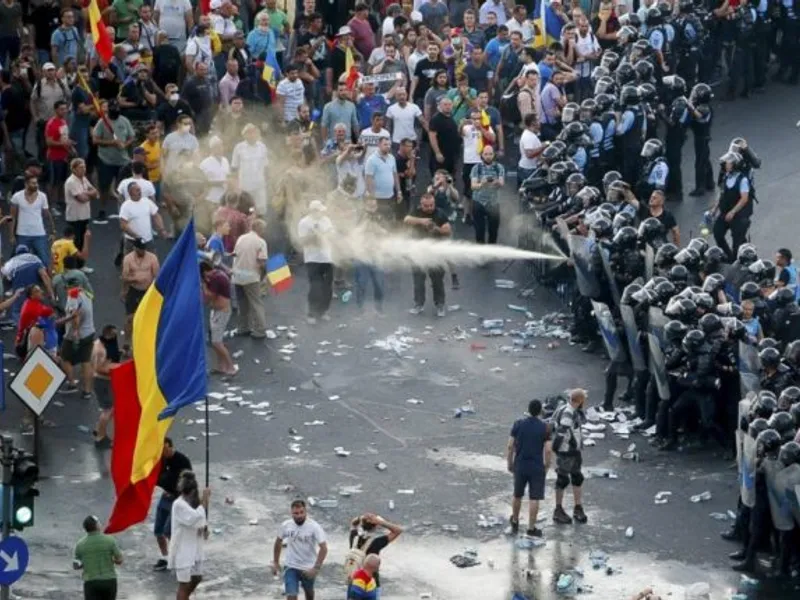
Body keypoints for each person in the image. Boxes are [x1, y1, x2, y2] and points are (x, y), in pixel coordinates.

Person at [507, 399, 551, 537]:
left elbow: (510, 446)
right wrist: (547, 466)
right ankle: (531, 528)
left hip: (520, 464)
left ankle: (515, 520)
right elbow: (548, 450)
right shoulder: (545, 427)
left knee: (517, 494)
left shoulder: (518, 424)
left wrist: (510, 462)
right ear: (540, 412)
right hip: (536, 466)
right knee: (534, 497)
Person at [404, 192, 452, 317]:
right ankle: (418, 304)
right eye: (426, 206)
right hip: (418, 251)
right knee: (418, 280)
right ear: (421, 204)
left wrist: (437, 229)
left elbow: (448, 229)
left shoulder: (440, 213)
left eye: (431, 205)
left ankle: (440, 305)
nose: (429, 208)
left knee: (437, 281)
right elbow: (406, 219)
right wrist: (422, 221)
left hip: (435, 253)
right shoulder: (416, 211)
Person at [273, 500, 328, 600]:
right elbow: (278, 541)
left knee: (309, 593)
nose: (299, 516)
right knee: (291, 595)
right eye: (296, 513)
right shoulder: (286, 525)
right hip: (291, 566)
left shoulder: (314, 527)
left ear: (306, 512)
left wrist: (316, 568)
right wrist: (276, 562)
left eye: (301, 512)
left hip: (308, 567)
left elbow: (324, 548)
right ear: (291, 513)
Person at [168, 470, 210, 600]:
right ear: (191, 491)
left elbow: (199, 520)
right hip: (183, 550)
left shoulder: (192, 504)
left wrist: (204, 528)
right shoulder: (179, 504)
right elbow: (193, 518)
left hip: (194, 548)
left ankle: (184, 597)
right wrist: (205, 502)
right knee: (184, 585)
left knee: (197, 577)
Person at [153, 438, 193, 572]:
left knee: (169, 530)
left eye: (165, 449)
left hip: (178, 500)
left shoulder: (182, 461)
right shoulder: (161, 459)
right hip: (166, 496)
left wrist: (177, 495)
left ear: (170, 447)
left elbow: (188, 484)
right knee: (158, 530)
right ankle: (165, 557)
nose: (163, 452)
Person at [551, 389, 589, 525]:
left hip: (573, 451)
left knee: (577, 477)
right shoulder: (568, 413)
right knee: (562, 479)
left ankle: (577, 507)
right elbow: (561, 432)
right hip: (567, 452)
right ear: (579, 401)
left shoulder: (567, 409)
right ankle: (558, 510)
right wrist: (557, 448)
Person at [297, 201, 335, 325]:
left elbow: (331, 235)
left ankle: (323, 311)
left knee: (327, 287)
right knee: (315, 286)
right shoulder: (304, 223)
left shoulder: (326, 220)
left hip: (327, 258)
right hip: (312, 259)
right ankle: (312, 313)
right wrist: (314, 237)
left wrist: (323, 236)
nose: (322, 213)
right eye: (319, 210)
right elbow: (303, 241)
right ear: (313, 211)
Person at [347, 513, 402, 596]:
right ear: (375, 526)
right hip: (370, 584)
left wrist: (362, 518)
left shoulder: (354, 536)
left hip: (355, 580)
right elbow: (398, 530)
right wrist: (381, 522)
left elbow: (353, 524)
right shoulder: (376, 542)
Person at [231, 219, 268, 338]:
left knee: (242, 303)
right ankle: (260, 330)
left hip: (237, 275)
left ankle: (243, 328)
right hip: (251, 276)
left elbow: (235, 254)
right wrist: (263, 276)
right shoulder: (260, 242)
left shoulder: (241, 238)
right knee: (256, 304)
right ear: (260, 230)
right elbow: (262, 261)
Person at [712, 151, 752, 261]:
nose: (725, 165)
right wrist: (715, 209)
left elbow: (744, 199)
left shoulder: (742, 180)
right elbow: (721, 194)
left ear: (735, 165)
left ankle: (738, 261)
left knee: (737, 243)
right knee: (717, 233)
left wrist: (733, 211)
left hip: (738, 215)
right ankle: (729, 257)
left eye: (728, 163)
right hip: (725, 212)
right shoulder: (726, 177)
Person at [10, 173, 56, 267]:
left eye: (36, 183)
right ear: (26, 184)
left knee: (44, 260)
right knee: (20, 260)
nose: (36, 185)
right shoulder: (17, 197)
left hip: (39, 234)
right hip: (22, 234)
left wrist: (52, 230)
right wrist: (11, 235)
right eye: (33, 183)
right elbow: (12, 217)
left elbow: (46, 214)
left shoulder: (42, 196)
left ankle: (46, 280)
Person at [200, 261, 237, 376]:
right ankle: (221, 366)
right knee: (215, 340)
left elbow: (210, 295)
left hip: (221, 312)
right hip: (217, 311)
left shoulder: (216, 278)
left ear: (205, 272)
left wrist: (204, 286)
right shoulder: (217, 275)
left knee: (217, 342)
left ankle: (230, 367)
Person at [73, 515, 123, 600]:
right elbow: (119, 560)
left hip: (91, 582)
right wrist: (112, 560)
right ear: (97, 526)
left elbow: (76, 565)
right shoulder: (110, 540)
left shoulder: (80, 544)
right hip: (109, 581)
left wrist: (86, 562)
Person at [61, 284, 96, 400]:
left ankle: (72, 384)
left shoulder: (73, 296)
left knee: (64, 358)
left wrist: (75, 331)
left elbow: (75, 316)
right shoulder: (86, 293)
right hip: (89, 332)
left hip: (75, 335)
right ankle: (87, 391)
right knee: (86, 361)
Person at [120, 238, 159, 339]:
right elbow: (125, 277)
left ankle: (148, 339)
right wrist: (134, 280)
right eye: (140, 249)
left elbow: (157, 276)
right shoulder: (128, 259)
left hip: (147, 291)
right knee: (130, 318)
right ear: (135, 248)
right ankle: (127, 342)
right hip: (133, 290)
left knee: (149, 317)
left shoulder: (152, 258)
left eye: (143, 249)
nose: (142, 251)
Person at [91, 325, 120, 449]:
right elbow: (98, 368)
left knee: (108, 409)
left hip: (105, 381)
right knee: (108, 409)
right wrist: (115, 370)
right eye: (113, 335)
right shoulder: (100, 350)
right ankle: (100, 437)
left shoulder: (101, 343)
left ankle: (98, 430)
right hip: (102, 381)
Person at [470, 145, 504, 244]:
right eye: (485, 154)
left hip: (493, 202)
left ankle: (491, 251)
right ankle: (481, 252)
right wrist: (482, 184)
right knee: (479, 231)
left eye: (490, 154)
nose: (488, 156)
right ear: (482, 155)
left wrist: (496, 182)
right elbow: (473, 186)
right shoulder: (476, 168)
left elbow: (502, 183)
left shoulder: (499, 167)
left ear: (494, 155)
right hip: (478, 202)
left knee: (493, 231)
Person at [64, 158, 98, 254]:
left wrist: (86, 193)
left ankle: (81, 265)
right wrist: (90, 195)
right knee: (75, 243)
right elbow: (81, 199)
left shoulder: (84, 179)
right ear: (74, 169)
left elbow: (95, 192)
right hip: (75, 217)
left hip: (85, 215)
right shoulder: (71, 182)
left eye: (84, 167)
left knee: (83, 241)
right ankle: (73, 265)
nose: (83, 169)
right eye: (80, 167)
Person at [364, 137, 402, 220]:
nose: (388, 146)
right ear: (379, 145)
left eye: (389, 145)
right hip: (378, 198)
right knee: (378, 221)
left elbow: (395, 175)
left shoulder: (392, 158)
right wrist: (372, 197)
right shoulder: (371, 160)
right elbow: (368, 179)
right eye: (385, 144)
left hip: (390, 196)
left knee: (390, 219)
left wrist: (398, 191)